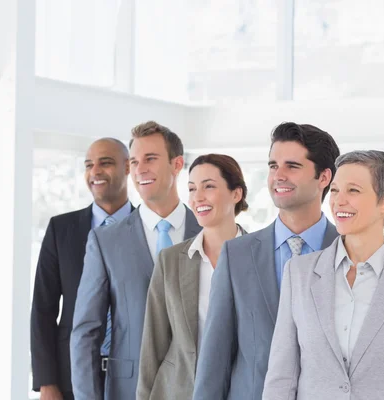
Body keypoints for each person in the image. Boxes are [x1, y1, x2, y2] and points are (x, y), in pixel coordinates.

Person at [263, 150, 384, 399]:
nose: (338, 201)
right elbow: (281, 378)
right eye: (335, 190)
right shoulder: (299, 273)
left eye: (354, 191)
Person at [192, 122, 340, 399]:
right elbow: (215, 358)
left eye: (292, 166)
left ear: (324, 178)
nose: (278, 176)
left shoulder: (348, 253)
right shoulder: (236, 255)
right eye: (273, 166)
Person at [70, 121, 202, 400]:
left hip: (198, 388)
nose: (140, 169)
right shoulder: (106, 242)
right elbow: (85, 334)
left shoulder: (209, 234)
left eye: (150, 159)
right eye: (134, 161)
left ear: (177, 164)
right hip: (128, 390)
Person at [137, 154, 249, 399]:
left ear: (236, 193)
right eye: (191, 188)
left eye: (208, 186)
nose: (197, 197)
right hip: (178, 391)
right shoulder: (170, 260)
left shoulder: (260, 258)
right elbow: (153, 344)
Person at [31, 138, 133, 400]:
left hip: (134, 376)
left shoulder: (148, 229)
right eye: (89, 165)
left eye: (106, 163)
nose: (95, 171)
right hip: (70, 377)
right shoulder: (60, 229)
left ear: (128, 167)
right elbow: (43, 309)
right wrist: (47, 382)